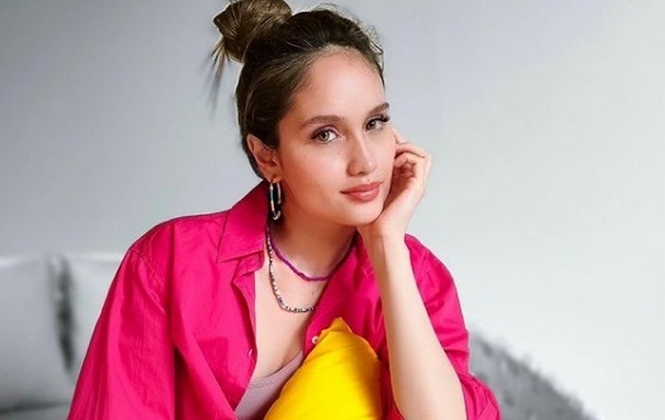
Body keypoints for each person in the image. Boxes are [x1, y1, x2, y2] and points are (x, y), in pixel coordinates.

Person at [67, 0, 500, 418]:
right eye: (326, 134)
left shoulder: (417, 277)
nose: (366, 162)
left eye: (375, 123)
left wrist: (386, 246)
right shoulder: (170, 262)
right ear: (267, 157)